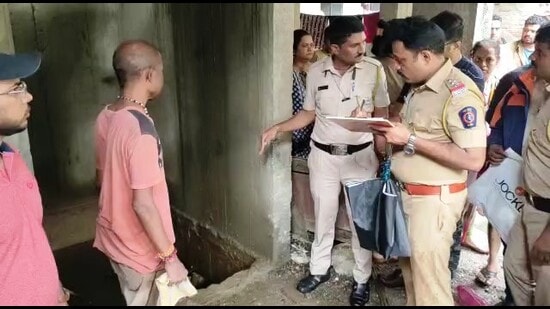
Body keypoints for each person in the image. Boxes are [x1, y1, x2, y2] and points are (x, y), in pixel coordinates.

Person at [259, 16, 390, 306]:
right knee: (323, 217)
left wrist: (380, 148)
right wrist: (278, 128)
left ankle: (361, 279)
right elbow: (308, 113)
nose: (362, 48)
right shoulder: (317, 71)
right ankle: (319, 270)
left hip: (360, 157)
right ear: (333, 48)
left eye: (363, 42)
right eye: (354, 44)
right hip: (323, 157)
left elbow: (383, 114)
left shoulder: (373, 69)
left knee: (360, 223)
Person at [369, 16, 487, 305]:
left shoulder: (458, 93)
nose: (396, 66)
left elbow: (473, 159)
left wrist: (408, 139)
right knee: (414, 279)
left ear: (425, 55)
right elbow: (414, 135)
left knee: (430, 289)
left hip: (433, 204)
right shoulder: (419, 86)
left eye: (401, 59)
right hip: (411, 197)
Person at [93, 40, 188, 306]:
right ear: (149, 75)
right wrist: (171, 258)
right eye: (160, 71)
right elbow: (143, 205)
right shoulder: (141, 129)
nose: (162, 77)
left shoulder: (106, 116)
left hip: (114, 239)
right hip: (140, 251)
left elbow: (101, 180)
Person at [0, 52, 69, 305]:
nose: (29, 97)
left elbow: (29, 236)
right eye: (16, 88)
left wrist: (56, 289)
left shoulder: (11, 158)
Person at [504, 23, 550, 306]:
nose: (534, 57)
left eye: (541, 53)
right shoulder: (544, 91)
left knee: (546, 288)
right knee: (515, 269)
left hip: (547, 215)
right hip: (529, 204)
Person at [290, 29, 315, 236]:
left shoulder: (311, 72)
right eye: (304, 45)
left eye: (312, 44)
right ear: (294, 49)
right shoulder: (291, 75)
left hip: (312, 135)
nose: (310, 48)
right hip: (299, 137)